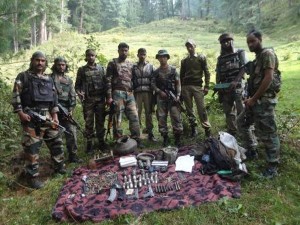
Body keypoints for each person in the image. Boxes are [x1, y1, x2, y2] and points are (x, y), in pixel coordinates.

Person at [11, 51, 66, 189]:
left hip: (47, 117)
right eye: (37, 60)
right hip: (31, 117)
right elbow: (16, 95)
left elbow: (54, 100)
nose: (40, 63)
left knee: (56, 141)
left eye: (42, 61)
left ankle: (59, 168)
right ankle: (32, 177)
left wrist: (55, 116)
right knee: (32, 148)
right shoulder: (23, 76)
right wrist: (20, 113)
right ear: (32, 61)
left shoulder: (49, 79)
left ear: (45, 63)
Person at [245, 29, 281, 178]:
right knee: (242, 123)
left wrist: (254, 99)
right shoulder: (257, 58)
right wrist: (249, 98)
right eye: (248, 42)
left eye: (252, 41)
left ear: (260, 39)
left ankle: (273, 166)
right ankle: (252, 150)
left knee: (268, 132)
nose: (250, 45)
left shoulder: (267, 54)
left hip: (264, 100)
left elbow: (268, 78)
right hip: (255, 99)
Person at [216, 33, 257, 156]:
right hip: (225, 88)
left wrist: (236, 80)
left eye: (228, 41)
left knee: (242, 112)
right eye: (223, 42)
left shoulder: (240, 52)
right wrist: (219, 87)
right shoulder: (220, 58)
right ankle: (232, 135)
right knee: (229, 112)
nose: (225, 43)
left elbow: (244, 67)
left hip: (238, 87)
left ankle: (249, 139)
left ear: (232, 41)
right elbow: (218, 73)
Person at [106, 42, 143, 148]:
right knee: (118, 118)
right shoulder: (112, 63)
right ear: (118, 51)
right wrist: (109, 96)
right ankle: (119, 140)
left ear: (128, 51)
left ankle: (136, 139)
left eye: (126, 50)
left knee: (134, 117)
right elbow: (108, 80)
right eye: (122, 50)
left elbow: (134, 80)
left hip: (130, 93)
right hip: (117, 93)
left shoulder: (131, 64)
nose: (124, 52)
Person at [75, 49, 109, 154]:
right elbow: (77, 86)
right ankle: (89, 143)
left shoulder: (102, 69)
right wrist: (79, 92)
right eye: (89, 55)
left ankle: (101, 142)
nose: (91, 57)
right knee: (89, 123)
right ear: (86, 56)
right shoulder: (82, 70)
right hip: (88, 101)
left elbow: (107, 84)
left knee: (100, 121)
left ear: (95, 56)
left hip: (100, 100)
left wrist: (108, 97)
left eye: (92, 55)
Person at [51, 57, 83, 163]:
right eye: (59, 64)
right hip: (53, 112)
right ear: (55, 65)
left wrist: (70, 110)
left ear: (66, 66)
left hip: (66, 111)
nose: (61, 66)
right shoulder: (49, 78)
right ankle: (58, 159)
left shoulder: (68, 80)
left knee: (71, 133)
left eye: (63, 65)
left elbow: (72, 95)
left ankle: (73, 156)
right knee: (55, 136)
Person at [180, 39, 211, 138]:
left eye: (191, 46)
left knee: (201, 108)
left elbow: (206, 72)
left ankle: (207, 129)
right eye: (187, 46)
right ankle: (193, 128)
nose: (189, 48)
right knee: (189, 109)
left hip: (197, 86)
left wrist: (206, 86)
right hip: (186, 86)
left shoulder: (201, 58)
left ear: (195, 46)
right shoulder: (184, 61)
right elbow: (181, 75)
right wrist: (180, 89)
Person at [152, 49, 183, 147]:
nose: (162, 59)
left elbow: (178, 84)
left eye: (164, 57)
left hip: (173, 97)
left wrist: (178, 95)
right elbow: (152, 84)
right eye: (160, 57)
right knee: (161, 118)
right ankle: (165, 138)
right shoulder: (156, 72)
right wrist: (159, 91)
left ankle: (177, 139)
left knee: (176, 117)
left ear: (167, 58)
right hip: (161, 98)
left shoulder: (173, 70)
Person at [132, 48, 157, 142]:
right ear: (137, 55)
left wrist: (154, 91)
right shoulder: (133, 67)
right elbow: (131, 79)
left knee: (149, 113)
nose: (142, 56)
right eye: (140, 54)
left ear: (146, 55)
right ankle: (137, 135)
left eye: (144, 54)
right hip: (137, 92)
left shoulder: (151, 66)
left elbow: (154, 79)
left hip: (148, 92)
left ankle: (150, 133)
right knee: (136, 113)